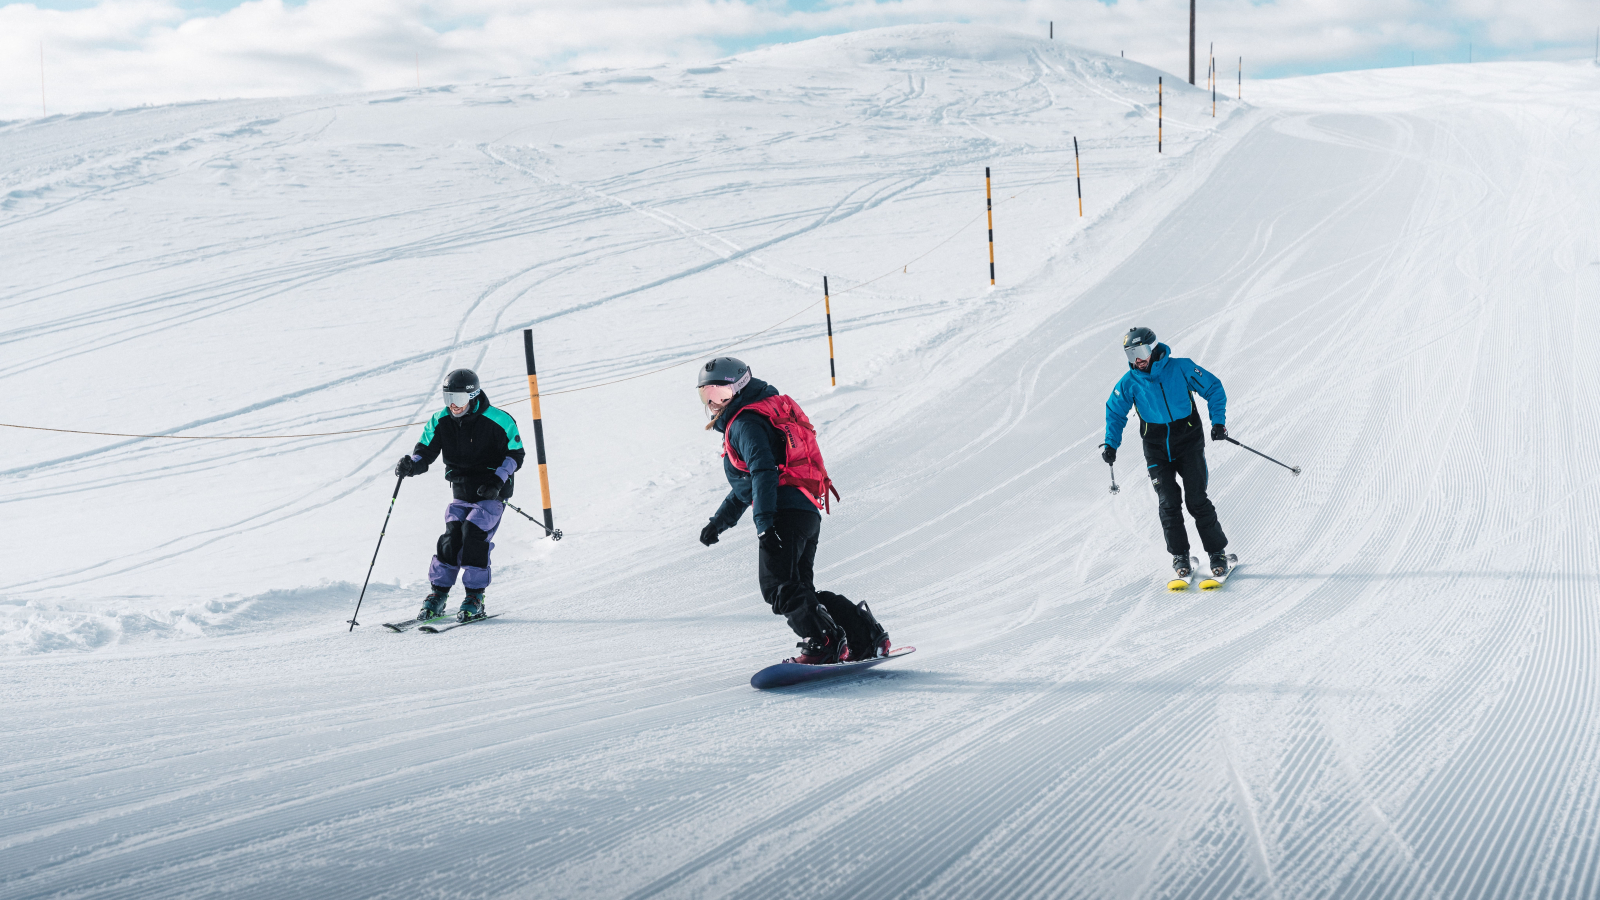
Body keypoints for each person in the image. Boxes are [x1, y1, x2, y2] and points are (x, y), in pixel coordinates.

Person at [694, 357, 889, 664]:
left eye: (721, 393)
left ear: (741, 387)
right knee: (801, 591)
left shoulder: (744, 423)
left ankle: (823, 642)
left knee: (778, 587)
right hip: (804, 510)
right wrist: (719, 522)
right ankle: (866, 638)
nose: (714, 402)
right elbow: (749, 484)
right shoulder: (762, 412)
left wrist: (765, 524)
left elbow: (763, 473)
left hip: (783, 512)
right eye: (707, 395)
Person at [394, 368, 525, 622]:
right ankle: (439, 594)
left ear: (473, 397)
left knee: (473, 532)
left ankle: (475, 596)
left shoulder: (499, 420)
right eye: (448, 399)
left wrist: (497, 482)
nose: (454, 405)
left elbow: (515, 455)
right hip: (462, 491)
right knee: (451, 536)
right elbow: (425, 452)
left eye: (460, 399)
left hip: (490, 492)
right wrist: (411, 464)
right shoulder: (440, 420)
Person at [1101, 327, 1232, 578]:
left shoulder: (1181, 368)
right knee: (1168, 502)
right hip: (1156, 448)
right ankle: (1180, 555)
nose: (1137, 359)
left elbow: (1214, 388)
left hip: (1189, 442)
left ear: (1153, 348)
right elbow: (1115, 412)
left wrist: (1218, 422)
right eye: (1131, 355)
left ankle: (1217, 553)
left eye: (1140, 351)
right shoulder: (1129, 382)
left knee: (1196, 499)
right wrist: (1110, 444)